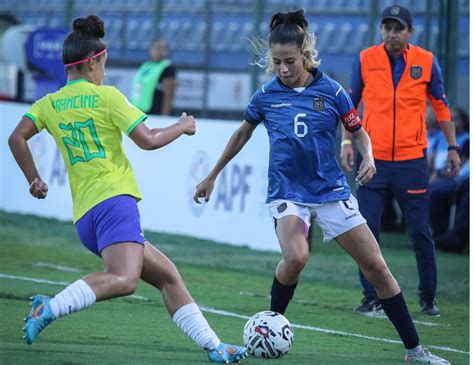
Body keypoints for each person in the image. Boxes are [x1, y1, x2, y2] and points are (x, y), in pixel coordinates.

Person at [193, 9, 450, 364]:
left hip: (330, 192)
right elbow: (242, 134)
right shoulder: (266, 95)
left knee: (377, 267)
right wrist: (212, 174)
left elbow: (358, 131)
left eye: (290, 61)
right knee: (297, 256)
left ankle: (415, 351)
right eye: (277, 61)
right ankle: (269, 325)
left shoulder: (333, 91)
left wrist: (369, 157)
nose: (283, 68)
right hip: (287, 193)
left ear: (305, 54)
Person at [8, 15, 246, 364]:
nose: (104, 71)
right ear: (92, 63)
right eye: (103, 64)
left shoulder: (48, 104)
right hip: (114, 201)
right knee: (124, 279)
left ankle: (214, 346)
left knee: (167, 277)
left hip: (86, 217)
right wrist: (181, 126)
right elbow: (148, 140)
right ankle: (50, 306)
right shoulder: (107, 97)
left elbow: (16, 138)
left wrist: (33, 178)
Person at [340, 4, 460, 317]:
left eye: (399, 28)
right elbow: (349, 107)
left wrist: (452, 148)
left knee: (421, 232)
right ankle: (371, 298)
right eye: (387, 28)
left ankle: (428, 298)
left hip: (411, 162)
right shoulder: (365, 59)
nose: (392, 34)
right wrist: (347, 142)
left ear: (410, 32)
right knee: (365, 231)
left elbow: (442, 107)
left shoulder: (427, 61)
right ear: (381, 30)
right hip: (373, 160)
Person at [131, 39, 177, 115]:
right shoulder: (145, 66)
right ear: (150, 50)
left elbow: (169, 95)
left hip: (156, 113)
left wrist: (165, 117)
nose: (161, 52)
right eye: (158, 48)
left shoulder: (168, 68)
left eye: (164, 49)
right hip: (139, 111)